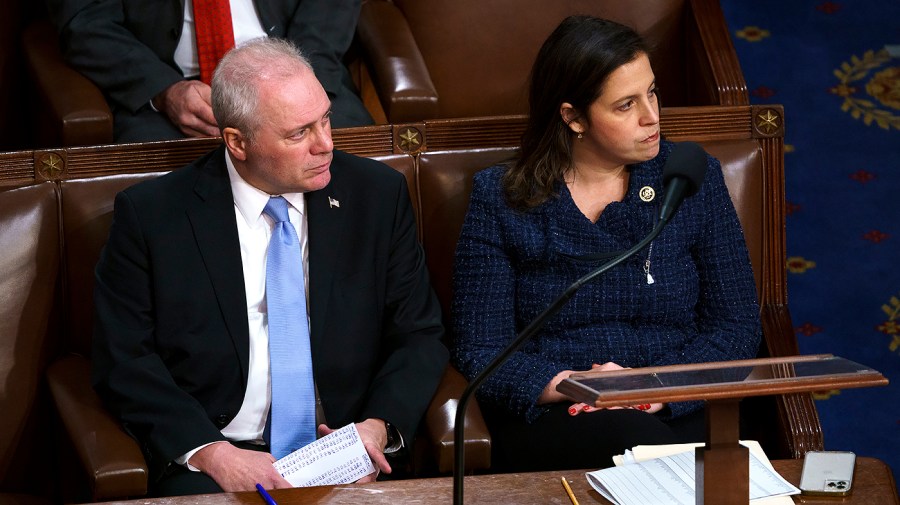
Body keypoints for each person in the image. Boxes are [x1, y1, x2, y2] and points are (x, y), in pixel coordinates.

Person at [91, 37, 447, 495]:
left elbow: (418, 333)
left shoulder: (376, 196)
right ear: (237, 142)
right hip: (217, 459)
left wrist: (376, 428)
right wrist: (213, 454)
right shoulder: (154, 216)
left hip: (347, 452)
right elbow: (124, 360)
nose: (326, 146)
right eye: (299, 133)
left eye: (326, 120)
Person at [450, 16, 762, 472]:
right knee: (642, 447)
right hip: (560, 412)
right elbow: (480, 349)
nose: (652, 117)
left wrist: (653, 387)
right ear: (573, 117)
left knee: (664, 452)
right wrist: (575, 385)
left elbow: (736, 328)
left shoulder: (692, 176)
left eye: (652, 92)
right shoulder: (502, 198)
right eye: (625, 106)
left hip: (680, 402)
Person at [47, 0, 374, 143]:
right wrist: (165, 91)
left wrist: (292, 78)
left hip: (297, 67)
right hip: (168, 91)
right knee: (153, 200)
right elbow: (85, 24)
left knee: (363, 175)